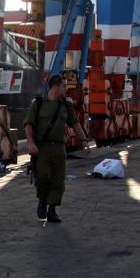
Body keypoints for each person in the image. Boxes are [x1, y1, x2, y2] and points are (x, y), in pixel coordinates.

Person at [25, 74, 90, 224]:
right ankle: (42, 200)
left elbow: (74, 123)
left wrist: (84, 140)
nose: (66, 89)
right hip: (42, 148)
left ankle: (52, 210)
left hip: (60, 147)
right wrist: (30, 143)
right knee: (41, 176)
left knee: (58, 180)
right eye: (64, 86)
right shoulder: (39, 103)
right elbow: (29, 123)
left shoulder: (66, 104)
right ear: (55, 86)